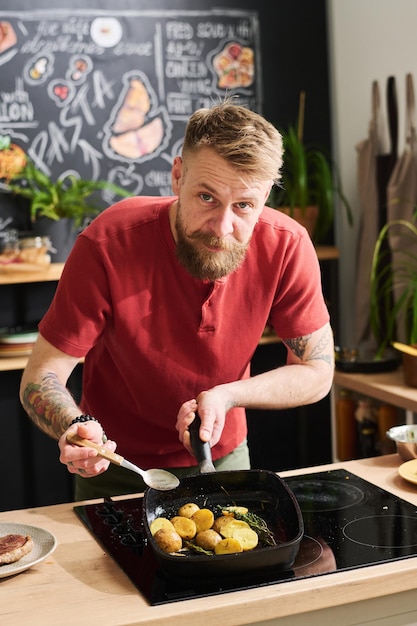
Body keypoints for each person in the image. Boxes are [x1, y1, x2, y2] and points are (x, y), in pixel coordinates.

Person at [19, 99, 334, 500]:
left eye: (243, 205)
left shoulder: (287, 246)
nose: (223, 227)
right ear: (178, 175)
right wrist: (74, 425)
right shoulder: (107, 243)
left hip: (225, 458)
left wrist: (228, 395)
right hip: (116, 467)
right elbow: (40, 377)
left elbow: (316, 371)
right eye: (206, 197)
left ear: (266, 196)